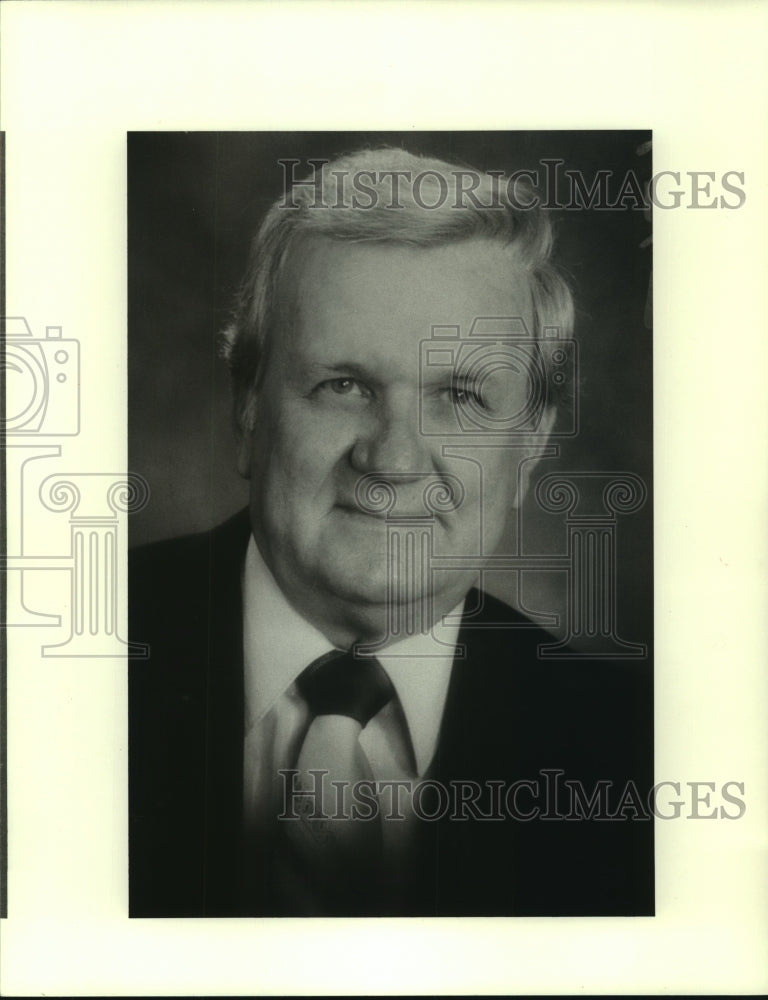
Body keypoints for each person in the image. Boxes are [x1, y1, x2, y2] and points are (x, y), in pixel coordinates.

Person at [129, 147, 653, 918]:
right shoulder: (53, 670)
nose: (395, 458)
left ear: (534, 438)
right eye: (344, 385)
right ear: (248, 406)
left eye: (461, 396)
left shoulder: (635, 746)